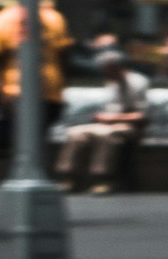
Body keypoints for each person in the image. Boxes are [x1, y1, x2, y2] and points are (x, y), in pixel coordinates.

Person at [0, 0, 72, 139]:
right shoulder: (55, 18)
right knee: (33, 142)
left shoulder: (0, 19)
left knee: (23, 143)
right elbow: (65, 57)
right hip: (43, 95)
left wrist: (1, 95)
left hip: (19, 95)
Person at [55, 47, 150, 194]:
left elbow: (142, 116)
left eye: (107, 69)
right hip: (108, 123)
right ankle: (67, 176)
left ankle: (102, 179)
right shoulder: (112, 82)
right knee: (75, 133)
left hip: (130, 126)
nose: (104, 72)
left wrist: (112, 118)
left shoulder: (138, 82)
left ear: (116, 67)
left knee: (105, 135)